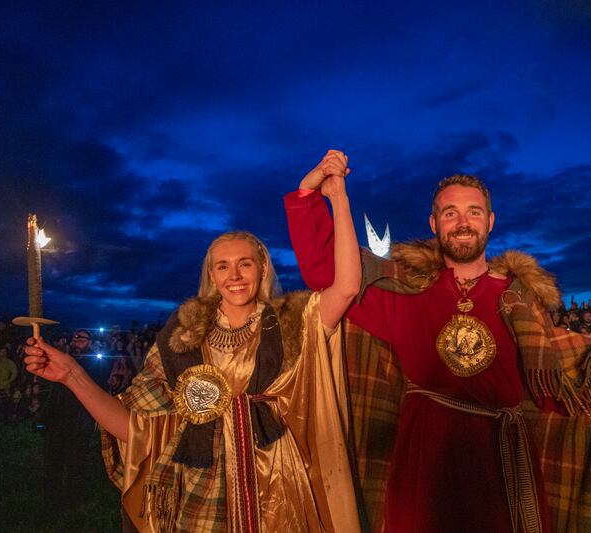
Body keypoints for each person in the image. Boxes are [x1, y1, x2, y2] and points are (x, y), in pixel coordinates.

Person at [285, 157, 591, 532]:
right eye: (449, 212)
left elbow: (557, 391)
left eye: (473, 212)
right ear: (434, 223)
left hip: (501, 468)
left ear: (489, 221)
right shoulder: (405, 293)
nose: (462, 222)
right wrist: (311, 193)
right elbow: (328, 271)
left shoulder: (520, 301)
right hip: (424, 467)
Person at [25, 153, 362, 532]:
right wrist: (72, 374)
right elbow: (134, 428)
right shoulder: (181, 337)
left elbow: (347, 287)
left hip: (277, 491)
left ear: (263, 268)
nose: (234, 275)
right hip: (202, 495)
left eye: (245, 263)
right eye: (222, 266)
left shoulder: (289, 323)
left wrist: (337, 198)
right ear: (211, 275)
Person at [39, 329, 108, 508]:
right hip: (57, 417)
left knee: (76, 461)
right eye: (75, 337)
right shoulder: (66, 358)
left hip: (78, 418)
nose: (76, 340)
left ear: (90, 342)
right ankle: (52, 501)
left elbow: (96, 382)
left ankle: (75, 501)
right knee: (52, 460)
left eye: (82, 338)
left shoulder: (95, 361)